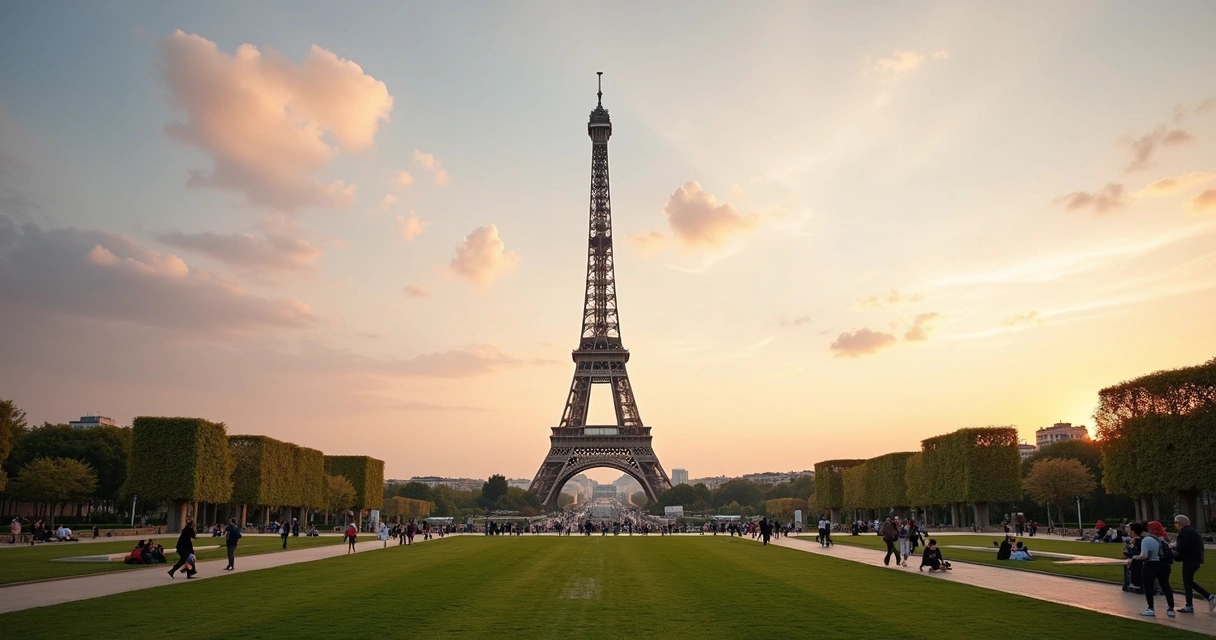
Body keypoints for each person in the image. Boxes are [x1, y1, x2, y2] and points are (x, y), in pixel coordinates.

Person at [1130, 521, 1175, 617]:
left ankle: (1151, 608)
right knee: (1166, 586)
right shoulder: (1161, 539)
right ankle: (1171, 608)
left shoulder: (1146, 540)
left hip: (1151, 565)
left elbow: (1144, 555)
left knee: (1148, 586)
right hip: (1164, 565)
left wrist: (1135, 557)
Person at [1174, 514, 1215, 613]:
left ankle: (1192, 604)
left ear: (1181, 523)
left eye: (1176, 522)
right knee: (1189, 582)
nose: (1176, 525)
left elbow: (1182, 547)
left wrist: (1173, 549)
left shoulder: (1184, 533)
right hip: (1195, 560)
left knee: (1187, 582)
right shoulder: (1193, 532)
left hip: (1189, 560)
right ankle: (1205, 598)